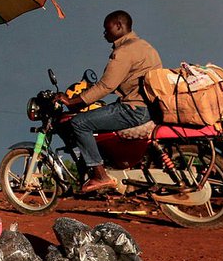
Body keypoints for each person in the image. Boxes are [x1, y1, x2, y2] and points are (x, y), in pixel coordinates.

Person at [53, 10, 162, 194]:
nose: (104, 33)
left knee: (79, 123)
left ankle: (100, 175)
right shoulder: (144, 46)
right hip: (148, 107)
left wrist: (72, 102)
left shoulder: (124, 51)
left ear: (119, 26)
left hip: (134, 108)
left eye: (107, 29)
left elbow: (105, 86)